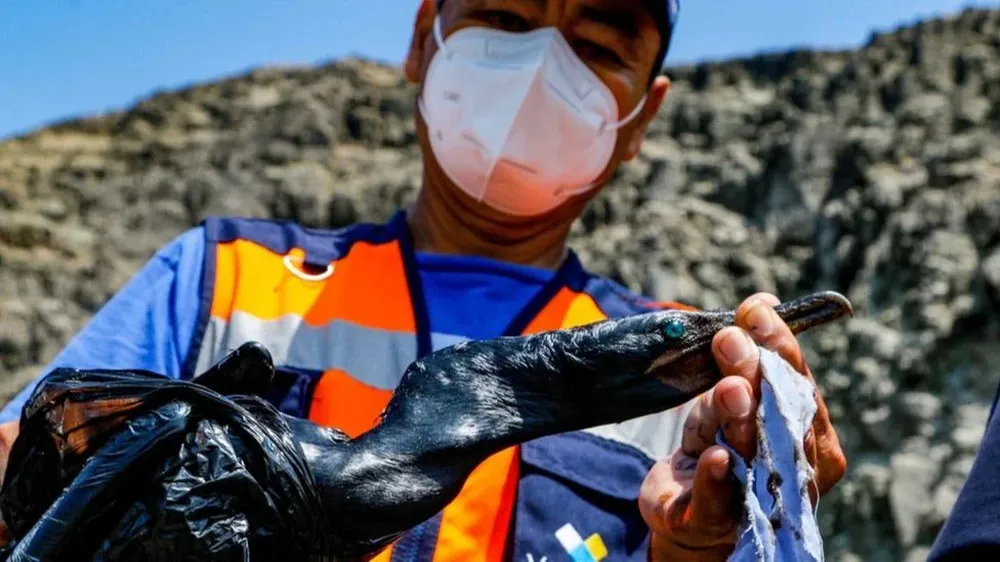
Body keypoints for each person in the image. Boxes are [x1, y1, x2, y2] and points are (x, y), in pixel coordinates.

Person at [0, 0, 847, 559]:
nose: (538, 66)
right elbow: (19, 479)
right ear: (422, 38)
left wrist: (697, 551)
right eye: (503, 16)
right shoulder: (220, 279)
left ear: (642, 117)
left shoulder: (687, 381)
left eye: (595, 47)